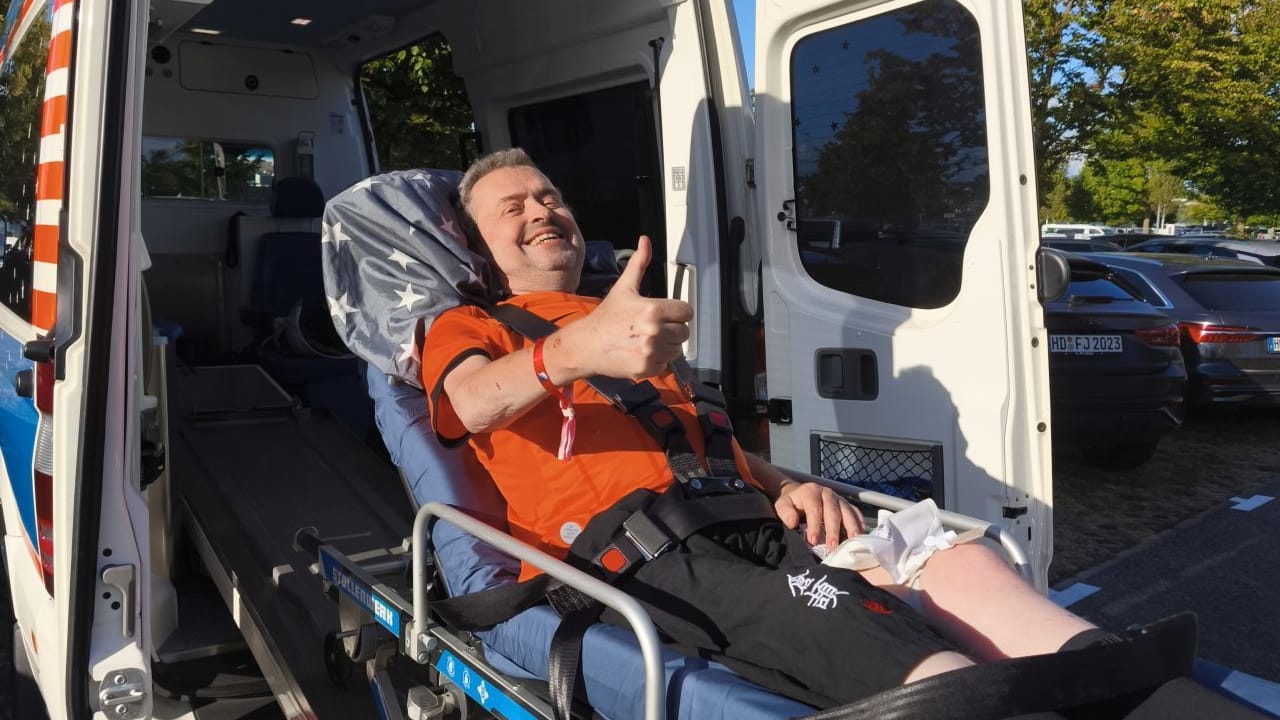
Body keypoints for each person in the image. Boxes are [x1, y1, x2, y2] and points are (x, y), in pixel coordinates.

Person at [418, 148, 1101, 709]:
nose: (542, 210)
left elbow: (693, 445)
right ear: (478, 247)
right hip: (644, 559)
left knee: (955, 560)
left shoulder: (623, 322)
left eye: (549, 197)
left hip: (750, 521)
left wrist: (781, 484)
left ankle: (1108, 676)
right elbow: (469, 404)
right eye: (514, 207)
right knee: (849, 620)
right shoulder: (472, 328)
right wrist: (577, 349)